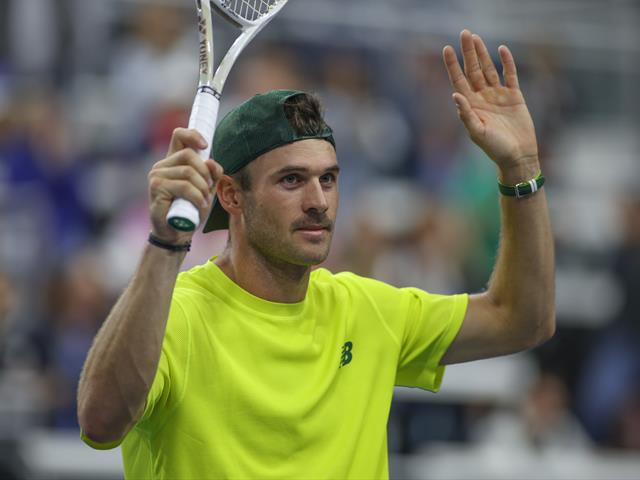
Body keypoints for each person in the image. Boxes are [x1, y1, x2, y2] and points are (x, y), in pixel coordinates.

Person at [77, 30, 555, 479]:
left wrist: (521, 169)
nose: (319, 201)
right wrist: (166, 245)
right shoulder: (176, 316)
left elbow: (522, 319)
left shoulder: (367, 311)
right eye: (292, 180)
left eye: (328, 178)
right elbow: (99, 423)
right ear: (231, 195)